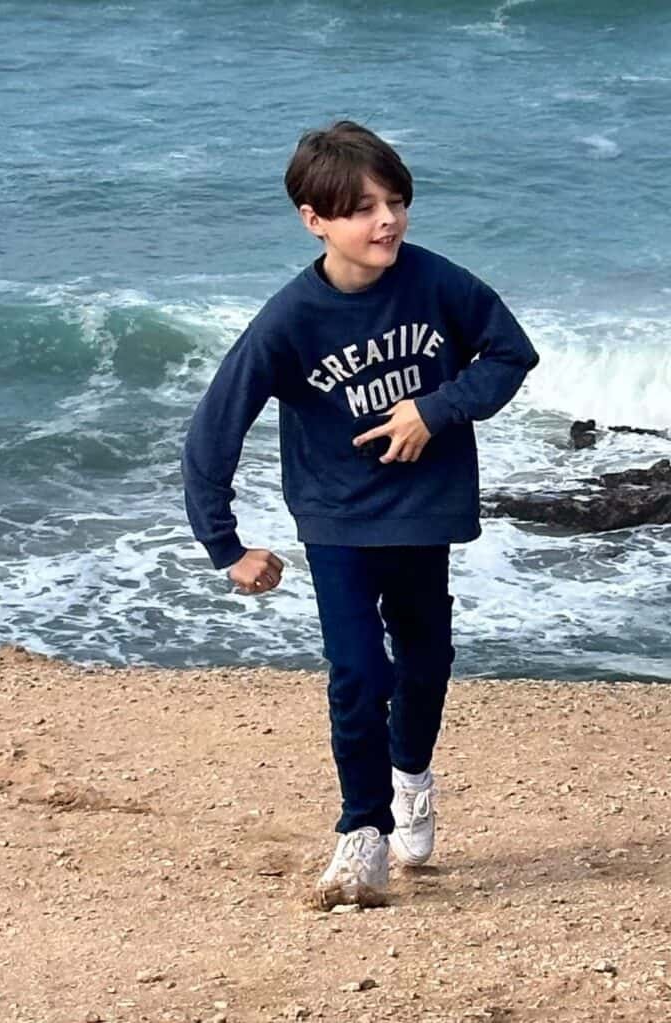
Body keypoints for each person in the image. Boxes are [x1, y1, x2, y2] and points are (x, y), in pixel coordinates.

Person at [181, 120, 539, 910]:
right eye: (364, 209)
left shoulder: (437, 283)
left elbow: (511, 353)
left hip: (424, 510)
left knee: (425, 661)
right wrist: (224, 544)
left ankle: (411, 776)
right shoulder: (290, 319)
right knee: (357, 672)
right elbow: (215, 426)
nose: (387, 221)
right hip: (337, 516)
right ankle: (363, 831)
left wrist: (435, 410)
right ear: (314, 219)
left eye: (396, 202)